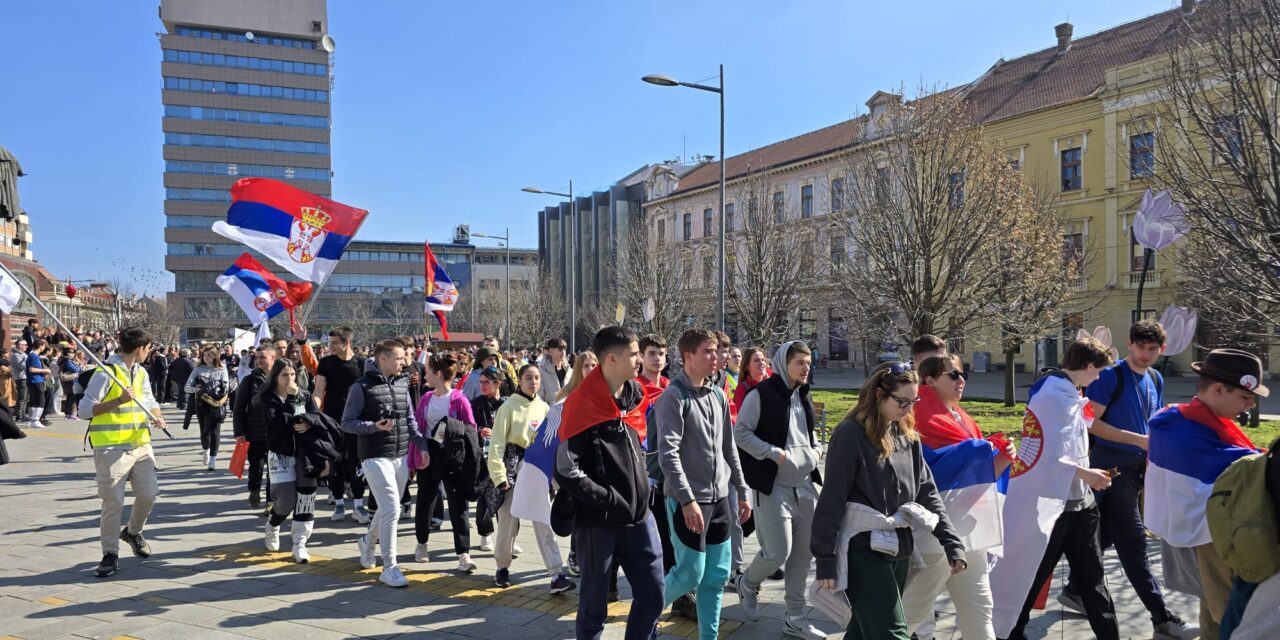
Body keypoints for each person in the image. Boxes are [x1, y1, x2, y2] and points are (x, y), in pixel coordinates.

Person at [1057, 320, 1198, 639]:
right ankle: (1162, 618)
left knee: (1105, 535)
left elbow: (1153, 419)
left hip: (1135, 472)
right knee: (1133, 541)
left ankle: (1075, 588)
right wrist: (1137, 440)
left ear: (1161, 350)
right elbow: (1089, 422)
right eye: (1140, 347)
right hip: (1109, 469)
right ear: (1131, 344)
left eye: (1153, 349)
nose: (1146, 354)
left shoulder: (1156, 377)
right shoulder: (1110, 375)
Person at [812, 362, 965, 640]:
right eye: (902, 401)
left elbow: (927, 492)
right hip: (862, 549)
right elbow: (832, 498)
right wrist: (825, 558)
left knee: (863, 631)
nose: (908, 409)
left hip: (900, 547)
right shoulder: (850, 434)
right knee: (892, 634)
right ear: (880, 395)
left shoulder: (908, 436)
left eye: (913, 401)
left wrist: (951, 542)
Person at [990, 337, 1119, 640]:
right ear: (1088, 366)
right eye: (1098, 370)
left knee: (1093, 578)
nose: (1099, 377)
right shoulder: (1053, 396)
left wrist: (1085, 475)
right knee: (1032, 573)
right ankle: (1008, 633)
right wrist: (1086, 473)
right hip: (1050, 503)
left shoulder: (1067, 393)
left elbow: (1064, 449)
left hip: (1076, 501)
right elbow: (1048, 455)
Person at [1146, 348, 1265, 640]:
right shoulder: (1186, 431)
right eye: (1245, 397)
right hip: (1210, 537)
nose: (1248, 406)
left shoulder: (1180, 420)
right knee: (1228, 610)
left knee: (1210, 604)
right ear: (1218, 389)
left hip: (1206, 531)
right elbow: (1243, 465)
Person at [555, 326, 665, 640]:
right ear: (613, 359)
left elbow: (639, 449)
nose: (640, 359)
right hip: (598, 524)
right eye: (633, 354)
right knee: (593, 608)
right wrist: (607, 499)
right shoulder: (580, 402)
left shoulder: (635, 396)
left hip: (641, 518)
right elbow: (564, 469)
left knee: (654, 595)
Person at [900, 354, 1009, 640]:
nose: (961, 381)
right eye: (954, 375)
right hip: (936, 535)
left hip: (969, 532)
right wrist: (979, 450)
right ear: (930, 380)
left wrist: (1003, 457)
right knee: (912, 612)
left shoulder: (962, 418)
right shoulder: (917, 415)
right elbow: (929, 472)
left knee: (980, 608)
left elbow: (979, 475)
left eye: (963, 375)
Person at [655, 328, 752, 640]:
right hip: (688, 502)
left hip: (720, 499)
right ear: (687, 357)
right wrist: (687, 500)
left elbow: (729, 448)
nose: (718, 357)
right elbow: (668, 455)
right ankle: (645, 615)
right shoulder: (673, 396)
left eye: (718, 351)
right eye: (708, 351)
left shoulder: (717, 395)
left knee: (716, 575)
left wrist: (742, 491)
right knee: (688, 574)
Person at [733, 340, 825, 640]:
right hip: (773, 486)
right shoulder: (761, 394)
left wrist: (816, 452)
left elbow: (810, 434)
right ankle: (747, 582)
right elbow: (741, 433)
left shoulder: (804, 394)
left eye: (808, 362)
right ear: (784, 363)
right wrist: (772, 452)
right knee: (777, 552)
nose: (806, 368)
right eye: (800, 362)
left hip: (805, 486)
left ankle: (795, 616)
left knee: (802, 555)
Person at [80, 327, 166, 578]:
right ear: (140, 348)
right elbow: (85, 410)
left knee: (149, 495)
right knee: (113, 503)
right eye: (148, 349)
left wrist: (158, 418)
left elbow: (150, 402)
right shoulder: (106, 372)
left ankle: (133, 531)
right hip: (111, 449)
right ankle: (110, 553)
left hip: (140, 445)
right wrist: (118, 401)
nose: (149, 353)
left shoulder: (141, 373)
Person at [340, 339, 426, 588]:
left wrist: (421, 445)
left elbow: (410, 419)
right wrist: (372, 427)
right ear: (383, 358)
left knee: (389, 508)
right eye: (400, 357)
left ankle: (367, 543)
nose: (404, 362)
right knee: (392, 508)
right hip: (373, 455)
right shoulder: (361, 386)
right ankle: (390, 566)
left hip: (400, 455)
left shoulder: (402, 382)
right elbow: (347, 422)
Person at [487, 363, 554, 588]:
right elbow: (496, 444)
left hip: (535, 468)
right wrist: (499, 475)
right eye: (528, 378)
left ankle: (555, 572)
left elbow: (549, 443)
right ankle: (502, 567)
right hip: (513, 468)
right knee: (508, 520)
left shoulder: (545, 408)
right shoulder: (508, 407)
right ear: (520, 380)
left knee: (543, 520)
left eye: (536, 378)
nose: (533, 382)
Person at [412, 353, 480, 573]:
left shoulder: (459, 399)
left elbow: (471, 429)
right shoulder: (426, 398)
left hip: (452, 455)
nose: (426, 376)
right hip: (429, 452)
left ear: (438, 374)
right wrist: (419, 453)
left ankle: (463, 553)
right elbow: (419, 428)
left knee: (458, 504)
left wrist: (453, 433)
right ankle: (421, 543)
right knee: (425, 499)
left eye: (428, 372)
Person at [254, 359, 318, 562]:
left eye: (292, 375)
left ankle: (300, 543)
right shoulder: (267, 397)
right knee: (286, 501)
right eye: (284, 375)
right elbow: (278, 421)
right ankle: (273, 524)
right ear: (275, 376)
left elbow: (316, 417)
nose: (289, 379)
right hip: (280, 454)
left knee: (306, 499)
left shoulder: (304, 395)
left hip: (304, 453)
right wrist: (290, 400)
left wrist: (309, 424)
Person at [314, 327, 368, 524]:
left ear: (347, 342)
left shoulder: (363, 363)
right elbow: (319, 390)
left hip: (356, 422)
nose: (331, 347)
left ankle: (359, 505)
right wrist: (315, 413)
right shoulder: (326, 363)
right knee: (335, 462)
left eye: (335, 343)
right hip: (332, 420)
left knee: (355, 463)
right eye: (329, 343)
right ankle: (338, 503)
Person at [233, 345, 277, 509]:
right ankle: (254, 489)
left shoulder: (280, 377)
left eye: (262, 357)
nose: (258, 360)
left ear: (273, 358)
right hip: (255, 432)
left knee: (274, 469)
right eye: (257, 357)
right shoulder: (249, 380)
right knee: (256, 466)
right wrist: (239, 432)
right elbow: (238, 408)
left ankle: (271, 501)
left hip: (275, 432)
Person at [469, 366, 504, 551]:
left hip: (504, 457)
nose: (482, 386)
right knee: (484, 494)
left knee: (507, 495)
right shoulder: (475, 404)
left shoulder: (507, 403)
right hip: (482, 456)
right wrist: (479, 431)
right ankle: (485, 534)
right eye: (480, 382)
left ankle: (509, 535)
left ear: (498, 383)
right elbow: (467, 427)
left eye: (487, 382)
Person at [186, 346, 231, 471]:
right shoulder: (198, 370)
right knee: (204, 431)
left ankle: (213, 459)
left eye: (209, 355)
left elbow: (226, 388)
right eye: (204, 355)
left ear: (215, 356)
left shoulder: (222, 370)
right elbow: (187, 387)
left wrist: (220, 392)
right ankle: (206, 450)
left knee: (215, 432)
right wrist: (197, 390)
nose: (206, 358)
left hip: (217, 404)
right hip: (202, 404)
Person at [731, 347, 770, 416]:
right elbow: (743, 416)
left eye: (763, 360)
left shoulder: (772, 382)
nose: (761, 363)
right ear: (747, 366)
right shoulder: (742, 388)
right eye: (756, 360)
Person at [536, 337, 572, 405]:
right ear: (551, 352)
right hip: (549, 413)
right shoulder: (541, 372)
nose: (563, 352)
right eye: (560, 349)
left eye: (564, 349)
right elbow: (539, 398)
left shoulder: (570, 371)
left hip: (568, 412)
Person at [25, 339, 51, 429]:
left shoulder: (33, 355)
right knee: (40, 401)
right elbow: (32, 369)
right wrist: (45, 370)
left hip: (36, 380)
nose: (44, 348)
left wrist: (43, 375)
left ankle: (31, 420)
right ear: (40, 345)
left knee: (34, 401)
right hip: (36, 381)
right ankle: (35, 420)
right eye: (44, 346)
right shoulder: (34, 356)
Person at [57, 346, 83, 420]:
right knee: (72, 397)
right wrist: (79, 366)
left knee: (69, 396)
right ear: (68, 353)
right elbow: (75, 369)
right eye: (72, 353)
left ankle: (68, 413)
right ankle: (72, 414)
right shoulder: (67, 361)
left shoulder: (63, 360)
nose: (74, 354)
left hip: (67, 380)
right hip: (70, 380)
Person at [10, 339, 27, 418]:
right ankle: (19, 415)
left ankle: (23, 414)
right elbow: (22, 366)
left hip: (26, 377)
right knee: (22, 396)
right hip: (21, 378)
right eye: (25, 345)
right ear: (20, 346)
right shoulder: (15, 355)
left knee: (26, 397)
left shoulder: (24, 354)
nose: (26, 346)